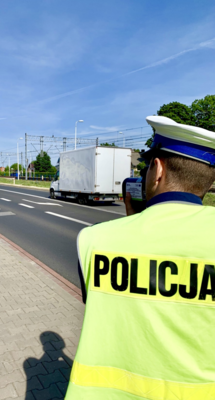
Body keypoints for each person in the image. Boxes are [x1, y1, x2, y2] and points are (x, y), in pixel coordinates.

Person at [65, 115, 215, 400]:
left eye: (146, 166)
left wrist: (132, 223)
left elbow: (103, 300)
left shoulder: (95, 239)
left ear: (157, 170)